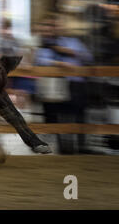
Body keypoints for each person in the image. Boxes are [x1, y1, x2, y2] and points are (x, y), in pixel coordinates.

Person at [35, 17, 93, 154]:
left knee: (79, 115)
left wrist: (72, 53)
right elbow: (40, 59)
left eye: (59, 26)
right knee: (60, 116)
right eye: (55, 26)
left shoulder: (74, 42)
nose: (58, 28)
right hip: (60, 84)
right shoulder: (49, 44)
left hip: (77, 84)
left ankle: (81, 146)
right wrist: (58, 64)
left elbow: (89, 58)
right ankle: (64, 148)